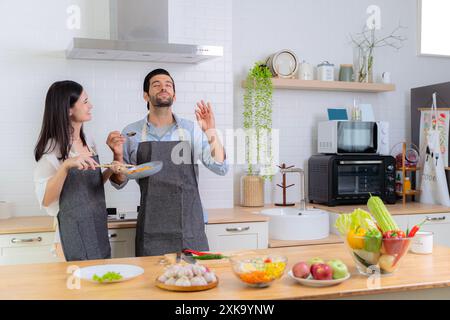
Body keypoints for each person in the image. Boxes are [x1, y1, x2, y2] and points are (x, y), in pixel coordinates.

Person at [107, 68, 228, 256]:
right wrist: (117, 156)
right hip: (151, 226)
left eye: (168, 85)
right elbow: (119, 182)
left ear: (174, 95)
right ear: (146, 95)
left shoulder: (192, 129)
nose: (163, 88)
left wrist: (211, 130)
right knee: (153, 282)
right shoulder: (131, 133)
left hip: (189, 225)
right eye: (156, 85)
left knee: (194, 281)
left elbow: (220, 167)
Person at [34, 81, 120, 261]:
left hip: (97, 228)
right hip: (72, 233)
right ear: (68, 110)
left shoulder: (89, 140)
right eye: (85, 101)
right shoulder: (52, 149)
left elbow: (90, 184)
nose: (91, 105)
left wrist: (110, 169)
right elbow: (46, 199)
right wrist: (66, 166)